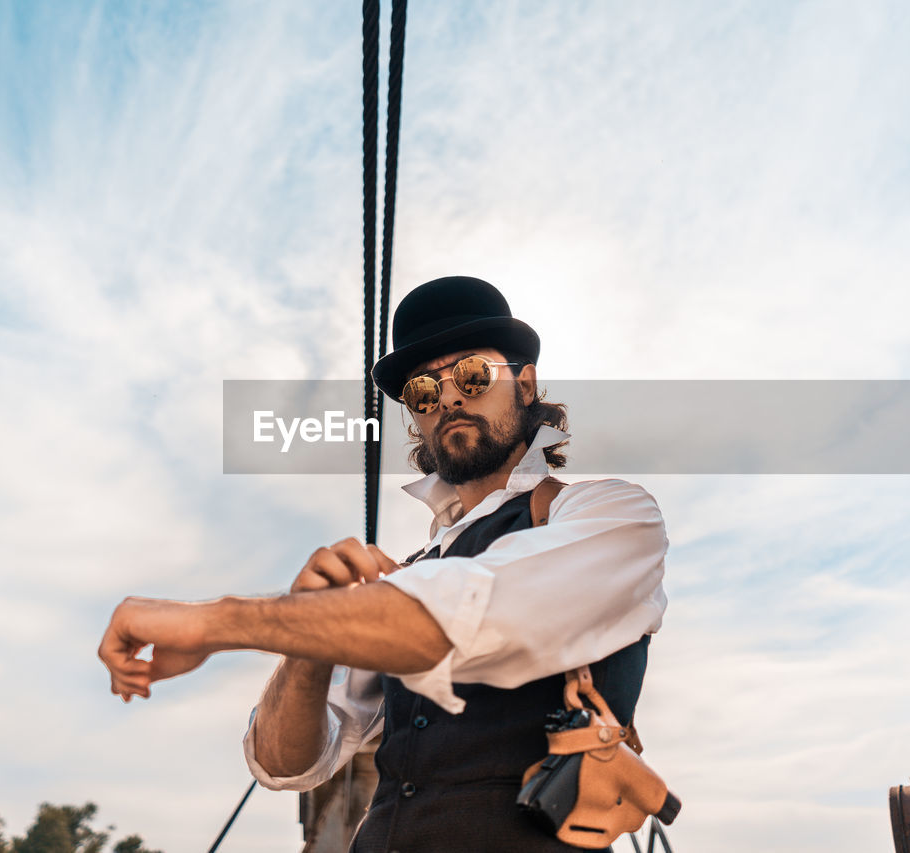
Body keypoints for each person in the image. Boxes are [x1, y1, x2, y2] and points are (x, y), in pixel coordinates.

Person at [97, 276, 669, 852]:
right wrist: (308, 631)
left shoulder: (607, 513)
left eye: (473, 376)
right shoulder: (411, 575)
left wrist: (216, 623)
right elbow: (284, 764)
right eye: (422, 391)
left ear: (525, 383)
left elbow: (466, 614)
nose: (447, 399)